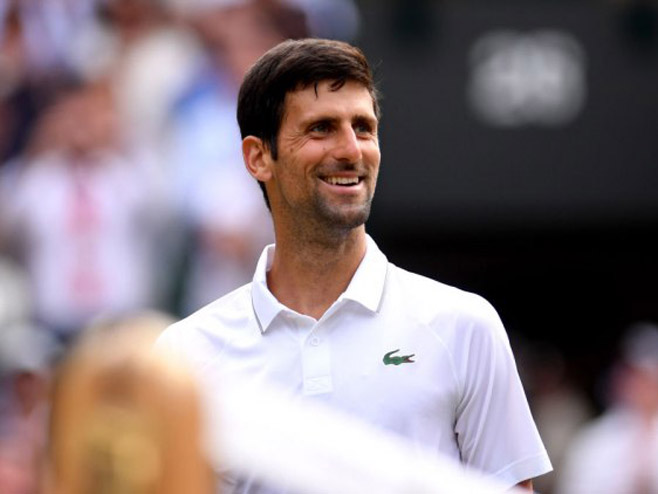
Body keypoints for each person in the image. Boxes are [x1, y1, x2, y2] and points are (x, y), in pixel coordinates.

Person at [156, 38, 552, 492]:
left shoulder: (465, 326)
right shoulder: (184, 356)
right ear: (259, 157)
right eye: (321, 128)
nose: (351, 149)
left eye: (363, 128)